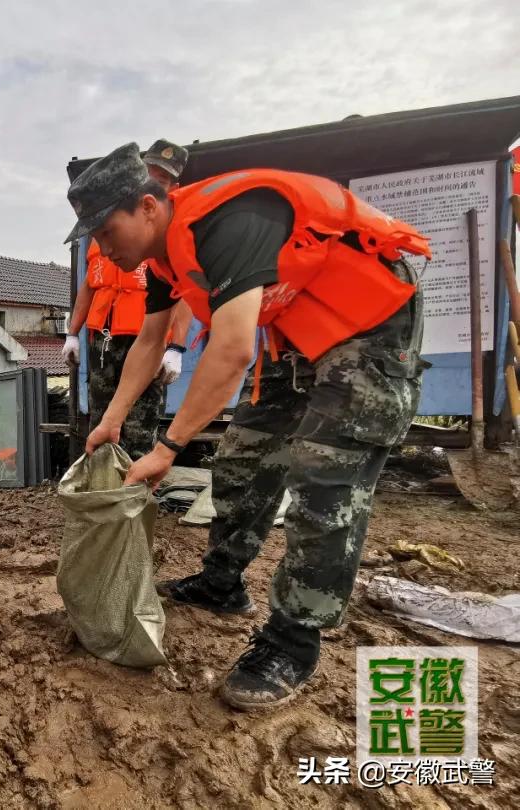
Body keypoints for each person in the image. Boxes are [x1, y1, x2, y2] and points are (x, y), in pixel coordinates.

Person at [65, 144, 430, 710]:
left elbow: (232, 350)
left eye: (107, 231)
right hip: (301, 335)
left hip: (370, 325)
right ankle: (222, 582)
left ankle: (292, 643)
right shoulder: (162, 256)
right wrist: (111, 420)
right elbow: (149, 339)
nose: (103, 248)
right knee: (241, 459)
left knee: (323, 479)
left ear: (146, 207)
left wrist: (167, 447)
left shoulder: (228, 221)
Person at [61, 139, 193, 459]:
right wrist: (72, 333)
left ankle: (135, 492)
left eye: (160, 180)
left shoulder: (175, 234)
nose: (107, 246)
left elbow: (186, 295)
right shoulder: (106, 229)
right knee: (103, 416)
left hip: (145, 335)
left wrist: (175, 347)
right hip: (103, 340)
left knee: (140, 424)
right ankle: (102, 487)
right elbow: (90, 285)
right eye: (147, 174)